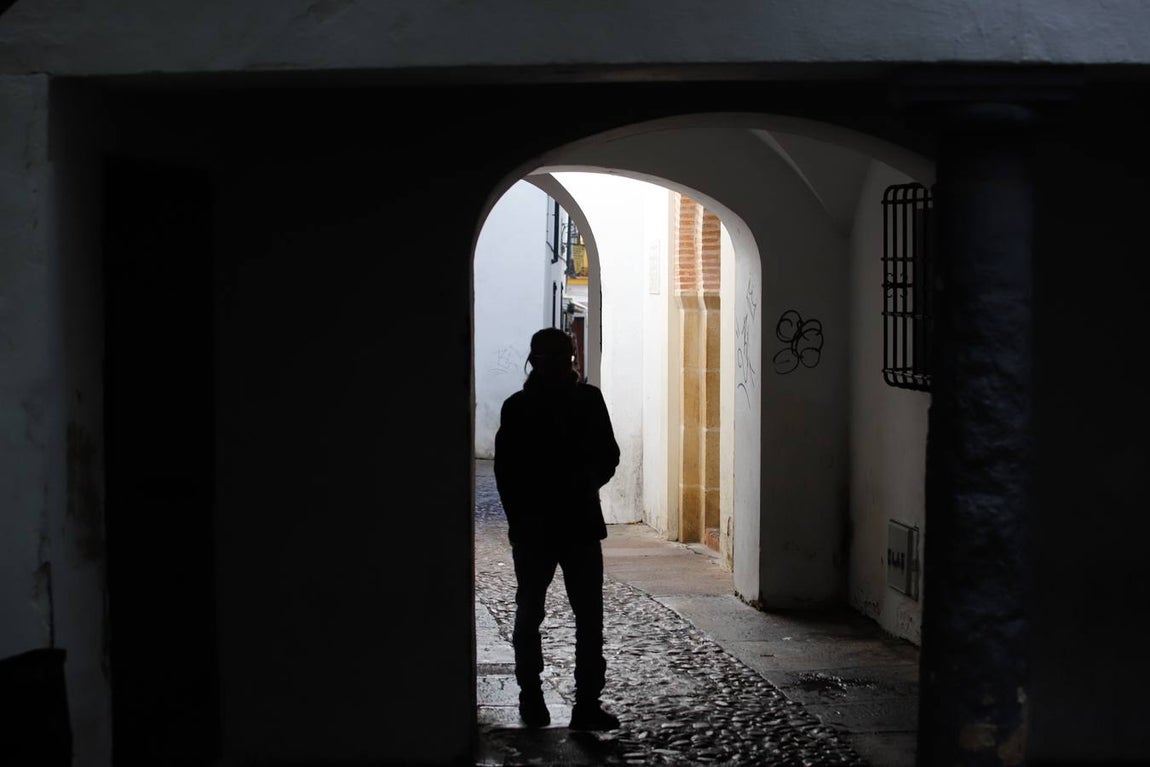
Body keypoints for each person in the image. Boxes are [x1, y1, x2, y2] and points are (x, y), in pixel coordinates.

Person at [493, 327, 622, 731]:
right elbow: (609, 456)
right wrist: (586, 483)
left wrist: (518, 519)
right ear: (571, 359)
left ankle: (532, 699)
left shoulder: (517, 407)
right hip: (577, 523)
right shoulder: (587, 400)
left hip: (536, 527)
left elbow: (505, 473)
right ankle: (584, 704)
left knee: (530, 612)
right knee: (586, 617)